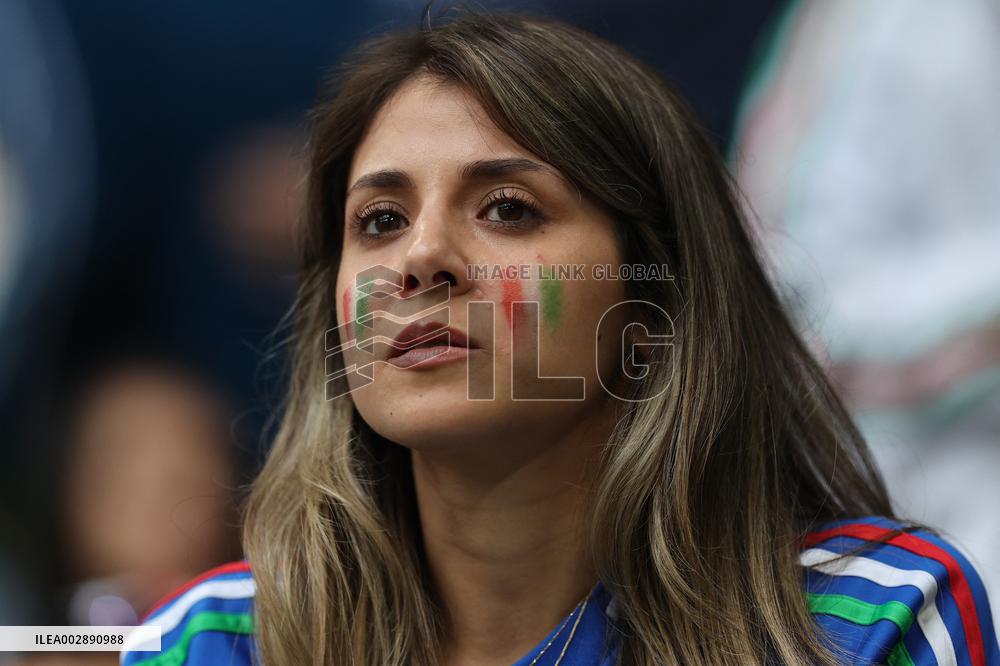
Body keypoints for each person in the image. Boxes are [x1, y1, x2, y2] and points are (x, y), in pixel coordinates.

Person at [121, 10, 999, 666]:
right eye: (380, 220)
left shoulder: (871, 617)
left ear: (656, 313)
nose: (421, 258)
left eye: (508, 208)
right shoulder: (204, 642)